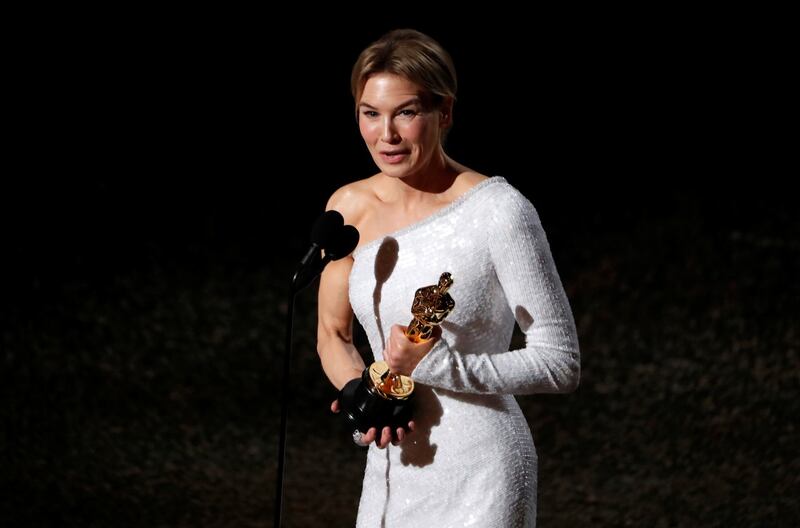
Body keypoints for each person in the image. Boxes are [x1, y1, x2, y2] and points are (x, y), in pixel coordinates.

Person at [316, 28, 580, 527]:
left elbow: (561, 363)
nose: (386, 134)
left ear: (446, 113)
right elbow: (332, 334)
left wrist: (437, 364)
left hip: (483, 472)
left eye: (407, 113)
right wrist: (363, 394)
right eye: (370, 114)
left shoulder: (499, 211)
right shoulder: (346, 208)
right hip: (391, 472)